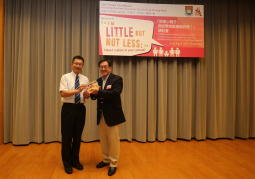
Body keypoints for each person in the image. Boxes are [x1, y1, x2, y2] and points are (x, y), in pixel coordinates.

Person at [88, 58, 126, 176]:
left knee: (114, 140)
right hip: (101, 114)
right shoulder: (98, 81)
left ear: (110, 68)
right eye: (101, 67)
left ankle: (113, 163)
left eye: (105, 67)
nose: (103, 69)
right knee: (103, 140)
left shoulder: (117, 79)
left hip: (113, 115)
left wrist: (98, 92)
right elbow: (95, 96)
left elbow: (115, 93)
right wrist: (90, 94)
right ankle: (106, 160)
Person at [59, 55, 90, 174]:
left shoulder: (85, 79)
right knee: (67, 137)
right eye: (76, 63)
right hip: (68, 108)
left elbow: (85, 95)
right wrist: (78, 90)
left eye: (80, 64)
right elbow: (63, 93)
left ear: (82, 66)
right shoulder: (65, 77)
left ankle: (75, 160)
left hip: (81, 109)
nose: (78, 66)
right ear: (72, 64)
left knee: (77, 136)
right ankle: (66, 163)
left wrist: (87, 94)